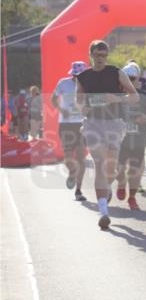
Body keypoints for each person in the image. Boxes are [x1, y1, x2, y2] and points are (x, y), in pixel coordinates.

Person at [75, 40, 139, 230]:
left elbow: (134, 97)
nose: (101, 58)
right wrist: (82, 108)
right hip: (93, 123)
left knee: (110, 167)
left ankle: (108, 187)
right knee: (99, 164)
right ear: (91, 55)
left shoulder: (116, 72)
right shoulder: (83, 77)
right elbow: (78, 100)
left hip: (114, 123)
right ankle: (103, 212)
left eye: (104, 55)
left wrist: (116, 98)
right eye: (97, 55)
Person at [116, 64, 146, 210]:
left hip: (139, 138)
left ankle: (132, 197)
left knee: (134, 170)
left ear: (138, 78)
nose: (130, 81)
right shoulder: (117, 96)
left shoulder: (144, 96)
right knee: (118, 169)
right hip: (120, 139)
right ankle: (121, 184)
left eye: (132, 78)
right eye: (127, 78)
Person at [52, 61, 89, 199]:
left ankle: (78, 190)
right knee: (68, 159)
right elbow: (53, 99)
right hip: (66, 124)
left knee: (81, 157)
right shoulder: (63, 83)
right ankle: (72, 172)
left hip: (82, 124)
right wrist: (62, 110)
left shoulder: (89, 85)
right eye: (75, 75)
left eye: (79, 75)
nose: (76, 77)